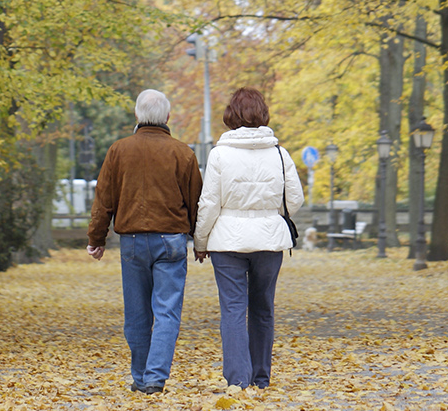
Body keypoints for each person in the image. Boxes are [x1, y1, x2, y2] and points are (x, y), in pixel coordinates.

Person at [87, 89, 202, 394]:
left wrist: (96, 238)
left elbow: (104, 199)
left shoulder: (118, 151)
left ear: (136, 116)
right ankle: (154, 378)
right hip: (172, 241)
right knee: (167, 312)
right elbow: (196, 202)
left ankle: (140, 376)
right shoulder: (183, 153)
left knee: (137, 312)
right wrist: (199, 241)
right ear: (167, 117)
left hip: (133, 241)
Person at [193, 87, 303, 391]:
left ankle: (238, 379)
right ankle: (261, 377)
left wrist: (200, 242)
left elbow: (209, 204)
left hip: (228, 243)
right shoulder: (280, 154)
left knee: (232, 309)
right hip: (269, 242)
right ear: (263, 113)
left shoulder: (219, 155)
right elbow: (295, 200)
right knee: (263, 308)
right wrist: (271, 211)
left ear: (231, 114)